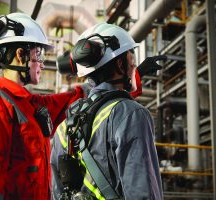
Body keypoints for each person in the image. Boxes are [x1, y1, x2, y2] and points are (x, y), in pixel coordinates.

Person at [0, 13, 85, 200]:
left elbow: (76, 98)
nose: (41, 63)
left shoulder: (29, 104)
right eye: (38, 55)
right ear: (20, 54)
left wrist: (128, 80)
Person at [51, 23, 163, 200]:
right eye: (130, 58)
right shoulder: (131, 114)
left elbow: (56, 193)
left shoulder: (64, 127)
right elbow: (142, 192)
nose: (134, 64)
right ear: (120, 64)